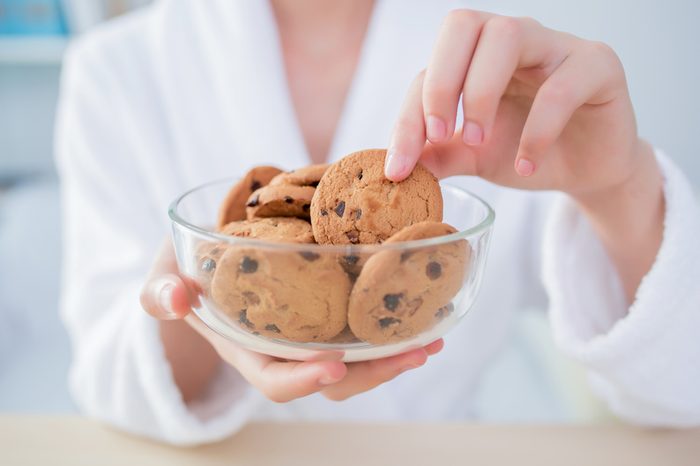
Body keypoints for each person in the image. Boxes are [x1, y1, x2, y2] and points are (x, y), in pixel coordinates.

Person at [55, 0, 700, 445]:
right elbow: (109, 386)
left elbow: (681, 390)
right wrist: (209, 293)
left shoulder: (509, 72)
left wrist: (618, 185)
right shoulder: (114, 71)